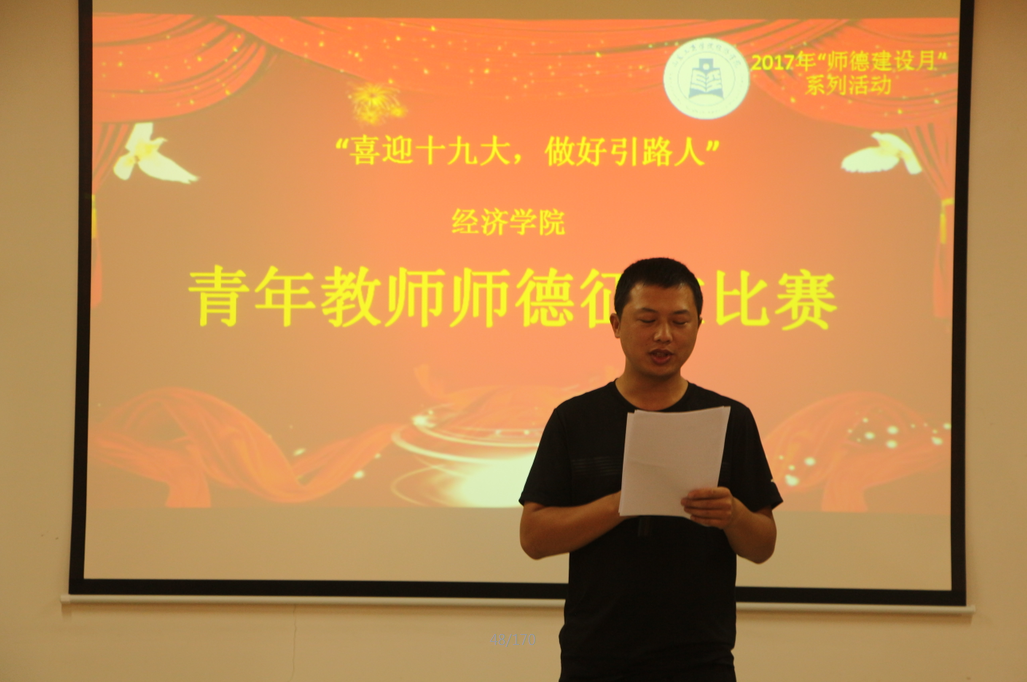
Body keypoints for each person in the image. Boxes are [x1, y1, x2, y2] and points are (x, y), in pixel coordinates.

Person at [519, 257, 782, 682]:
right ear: (616, 324)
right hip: (596, 660)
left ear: (698, 325)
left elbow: (763, 545)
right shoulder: (575, 419)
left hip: (702, 661)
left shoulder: (729, 418)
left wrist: (733, 514)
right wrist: (624, 502)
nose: (664, 335)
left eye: (680, 321)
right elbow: (533, 538)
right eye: (647, 320)